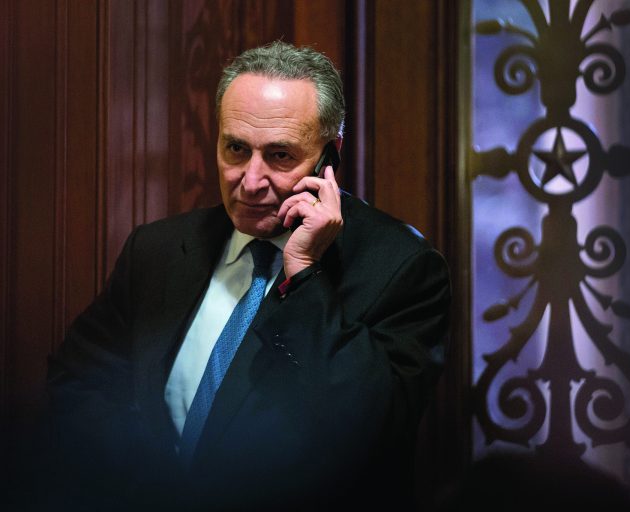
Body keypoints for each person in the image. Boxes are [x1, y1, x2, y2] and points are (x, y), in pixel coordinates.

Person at [46, 41, 450, 511]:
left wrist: (305, 277)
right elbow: (79, 381)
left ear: (330, 156)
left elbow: (373, 434)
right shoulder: (157, 248)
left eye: (279, 156)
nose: (251, 180)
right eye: (236, 149)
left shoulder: (402, 267)